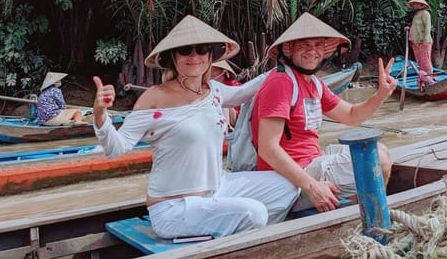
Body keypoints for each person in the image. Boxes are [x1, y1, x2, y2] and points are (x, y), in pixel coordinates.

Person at [92, 15, 298, 240]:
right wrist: (100, 114)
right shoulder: (155, 98)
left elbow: (242, 93)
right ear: (173, 56)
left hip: (218, 188)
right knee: (255, 212)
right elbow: (116, 148)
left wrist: (284, 66)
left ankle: (227, 232)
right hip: (174, 207)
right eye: (186, 50)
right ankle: (225, 240)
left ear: (211, 56)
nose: (194, 57)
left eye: (202, 49)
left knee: (288, 185)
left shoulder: (214, 91)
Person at [251, 12, 397, 213]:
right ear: (289, 49)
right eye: (304, 45)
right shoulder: (281, 82)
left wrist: (381, 94)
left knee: (379, 150)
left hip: (313, 161)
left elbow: (352, 115)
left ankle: (356, 213)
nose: (312, 51)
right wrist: (312, 186)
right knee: (378, 159)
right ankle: (367, 217)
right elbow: (267, 148)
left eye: (318, 45)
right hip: (290, 177)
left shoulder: (315, 84)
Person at [407, 0, 435, 88]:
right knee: (420, 62)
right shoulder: (417, 14)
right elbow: (416, 27)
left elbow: (427, 27)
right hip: (416, 41)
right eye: (413, 4)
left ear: (421, 5)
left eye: (415, 4)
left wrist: (425, 40)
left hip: (423, 41)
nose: (414, 6)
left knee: (425, 61)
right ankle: (424, 79)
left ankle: (429, 80)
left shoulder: (425, 14)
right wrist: (408, 29)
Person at [210, 60, 242, 128]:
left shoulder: (235, 86)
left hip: (236, 120)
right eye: (208, 70)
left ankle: (227, 127)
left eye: (214, 70)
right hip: (213, 120)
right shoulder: (205, 88)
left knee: (220, 96)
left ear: (223, 71)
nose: (210, 73)